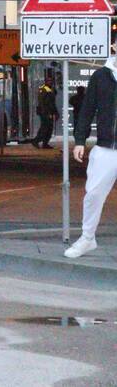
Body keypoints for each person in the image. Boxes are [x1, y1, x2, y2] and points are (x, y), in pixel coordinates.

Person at [67, 55, 117, 258]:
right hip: (106, 147)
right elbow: (87, 109)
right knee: (93, 195)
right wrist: (80, 140)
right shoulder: (100, 76)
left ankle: (87, 239)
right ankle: (87, 238)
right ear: (114, 46)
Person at [32, 76, 58, 149]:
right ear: (45, 82)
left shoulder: (51, 89)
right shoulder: (43, 89)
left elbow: (52, 103)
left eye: (51, 81)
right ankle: (36, 141)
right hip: (45, 113)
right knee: (44, 128)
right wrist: (45, 113)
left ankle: (45, 143)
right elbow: (42, 103)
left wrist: (55, 112)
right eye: (48, 81)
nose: (50, 82)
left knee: (49, 129)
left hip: (50, 112)